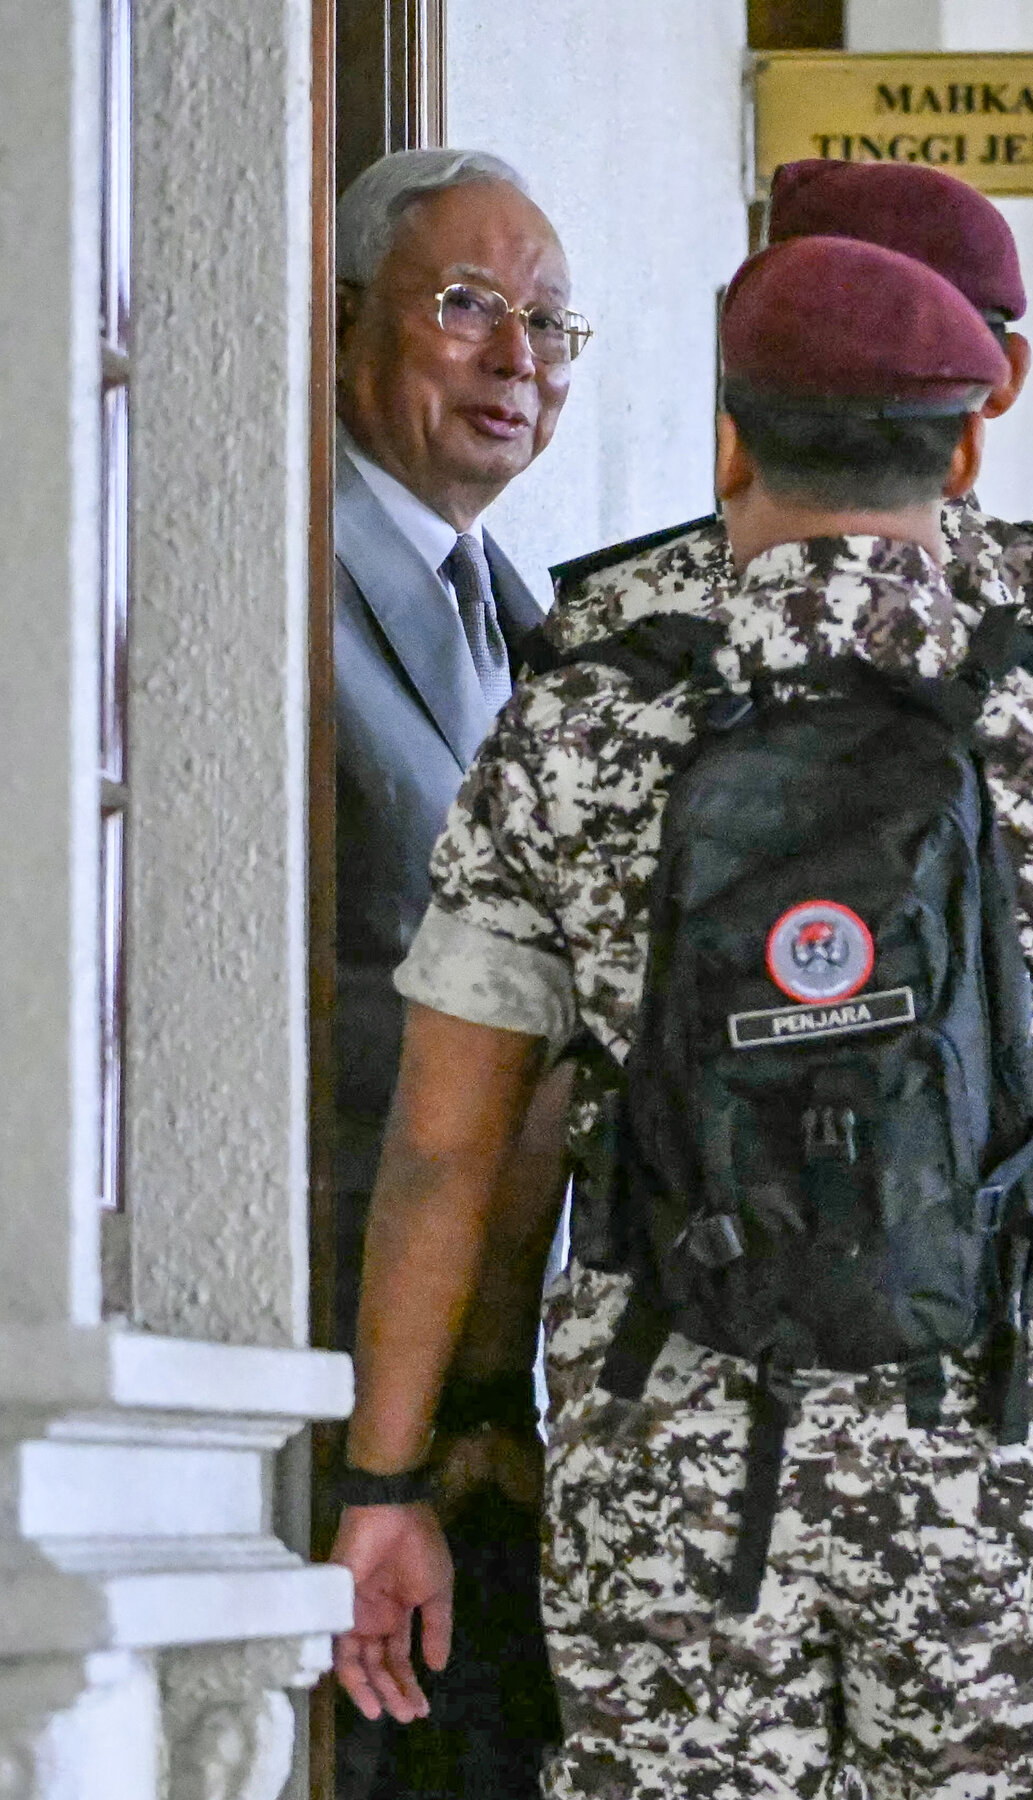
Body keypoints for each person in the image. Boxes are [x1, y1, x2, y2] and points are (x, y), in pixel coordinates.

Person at [327, 231, 1033, 1799]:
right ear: (967, 450)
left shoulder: (586, 705)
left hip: (678, 1477)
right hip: (1019, 1467)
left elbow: (446, 1146)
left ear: (734, 440)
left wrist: (387, 1480)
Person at [332, 145, 586, 1798]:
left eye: (552, 326)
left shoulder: (534, 620)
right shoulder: (274, 583)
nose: (519, 360)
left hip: (488, 1359)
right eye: (469, 307)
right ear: (347, 320)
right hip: (329, 1313)